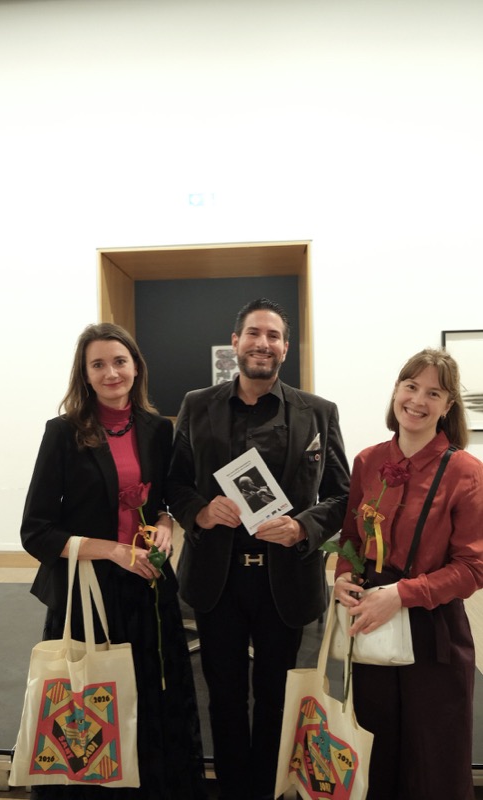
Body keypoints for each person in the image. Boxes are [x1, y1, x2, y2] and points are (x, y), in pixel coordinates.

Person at [167, 298, 350, 800]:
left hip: (286, 580)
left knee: (277, 697)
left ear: (286, 348)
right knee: (223, 698)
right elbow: (174, 483)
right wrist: (201, 512)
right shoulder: (197, 404)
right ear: (236, 342)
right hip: (217, 579)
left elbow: (341, 495)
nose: (262, 343)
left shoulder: (318, 412)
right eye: (253, 333)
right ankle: (233, 789)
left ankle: (268, 789)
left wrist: (302, 527)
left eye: (273, 336)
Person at [20, 322, 206, 800]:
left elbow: (164, 501)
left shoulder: (157, 429)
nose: (111, 373)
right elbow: (36, 531)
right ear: (84, 374)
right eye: (98, 364)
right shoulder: (63, 433)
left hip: (147, 589)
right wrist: (114, 551)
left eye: (119, 361)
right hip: (88, 594)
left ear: (136, 367)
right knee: (91, 707)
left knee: (153, 702)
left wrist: (164, 524)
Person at [333, 348, 483, 800]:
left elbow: (473, 568)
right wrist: (343, 575)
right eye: (411, 386)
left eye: (433, 393)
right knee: (373, 750)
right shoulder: (368, 461)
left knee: (433, 759)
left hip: (433, 631)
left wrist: (401, 595)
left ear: (448, 405)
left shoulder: (465, 471)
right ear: (396, 390)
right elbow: (351, 536)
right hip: (370, 623)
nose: (417, 400)